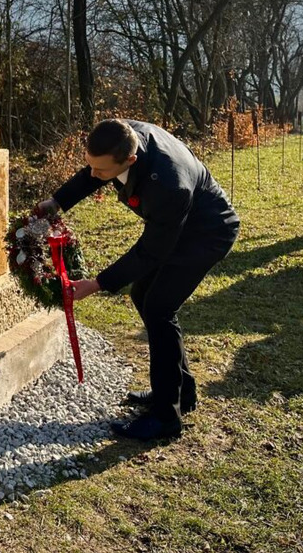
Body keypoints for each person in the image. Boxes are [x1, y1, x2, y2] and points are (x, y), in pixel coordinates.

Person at [36, 119, 239, 440]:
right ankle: (181, 392)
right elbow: (96, 171)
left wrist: (97, 283)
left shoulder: (169, 185)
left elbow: (150, 252)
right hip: (175, 225)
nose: (93, 174)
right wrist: (57, 201)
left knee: (159, 307)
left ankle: (165, 418)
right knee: (143, 294)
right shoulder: (122, 135)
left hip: (206, 232)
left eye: (101, 170)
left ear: (130, 160)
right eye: (91, 164)